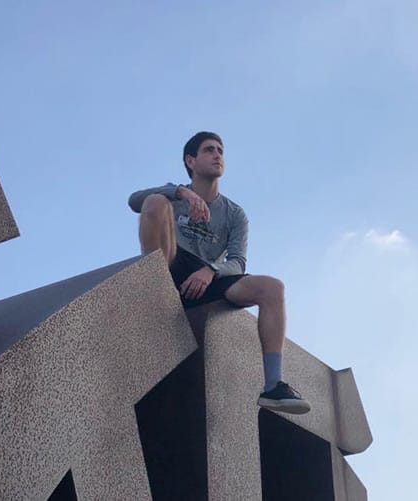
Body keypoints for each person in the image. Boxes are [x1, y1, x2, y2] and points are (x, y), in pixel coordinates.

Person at [128, 131, 310, 414]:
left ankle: (274, 385)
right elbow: (133, 200)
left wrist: (210, 270)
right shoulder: (173, 195)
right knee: (153, 202)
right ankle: (153, 284)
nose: (217, 156)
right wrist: (182, 192)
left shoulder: (235, 214)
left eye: (220, 151)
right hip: (171, 262)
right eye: (209, 150)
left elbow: (237, 262)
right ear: (191, 160)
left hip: (208, 276)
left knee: (273, 287)